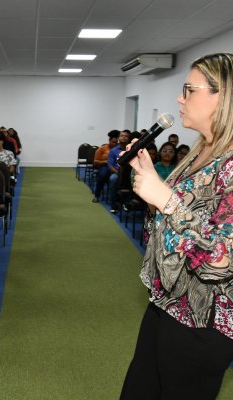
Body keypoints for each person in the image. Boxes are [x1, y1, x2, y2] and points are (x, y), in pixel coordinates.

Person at [120, 53, 233, 399]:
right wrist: (150, 179)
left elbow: (221, 261)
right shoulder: (203, 151)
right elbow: (176, 215)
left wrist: (166, 199)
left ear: (224, 96)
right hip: (166, 303)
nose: (179, 99)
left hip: (202, 321)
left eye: (189, 90)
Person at [92, 129, 119, 203]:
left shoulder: (118, 149)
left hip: (115, 167)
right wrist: (105, 162)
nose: (114, 144)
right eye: (113, 142)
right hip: (104, 166)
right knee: (103, 174)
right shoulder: (102, 148)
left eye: (116, 142)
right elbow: (95, 162)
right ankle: (96, 195)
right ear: (109, 140)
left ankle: (116, 199)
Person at [107, 130, 130, 213]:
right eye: (122, 135)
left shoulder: (131, 150)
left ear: (129, 138)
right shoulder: (113, 150)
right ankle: (113, 205)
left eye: (126, 136)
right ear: (118, 138)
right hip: (117, 173)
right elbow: (110, 165)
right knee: (113, 179)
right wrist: (119, 173)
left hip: (129, 173)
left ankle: (127, 203)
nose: (124, 137)